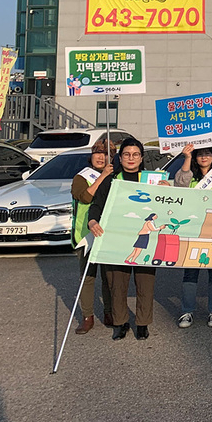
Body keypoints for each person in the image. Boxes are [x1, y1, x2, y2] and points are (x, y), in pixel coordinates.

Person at [87, 137, 156, 341]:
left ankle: (142, 323)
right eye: (126, 154)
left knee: (145, 282)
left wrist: (164, 187)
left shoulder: (151, 179)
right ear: (120, 157)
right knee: (116, 284)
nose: (131, 158)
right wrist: (92, 222)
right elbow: (96, 205)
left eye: (135, 154)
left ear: (142, 157)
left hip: (144, 239)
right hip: (115, 239)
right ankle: (120, 322)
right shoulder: (111, 179)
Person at [173, 144, 212, 328]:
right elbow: (180, 185)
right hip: (193, 231)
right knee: (190, 273)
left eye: (207, 154)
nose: (204, 157)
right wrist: (187, 157)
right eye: (200, 154)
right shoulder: (190, 176)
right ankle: (186, 311)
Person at [70, 138, 115, 333]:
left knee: (109, 276)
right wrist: (102, 176)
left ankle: (109, 312)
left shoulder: (115, 176)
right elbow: (86, 197)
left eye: (106, 153)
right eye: (97, 152)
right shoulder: (81, 177)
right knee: (88, 276)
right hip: (86, 233)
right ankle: (87, 316)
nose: (101, 157)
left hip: (109, 232)